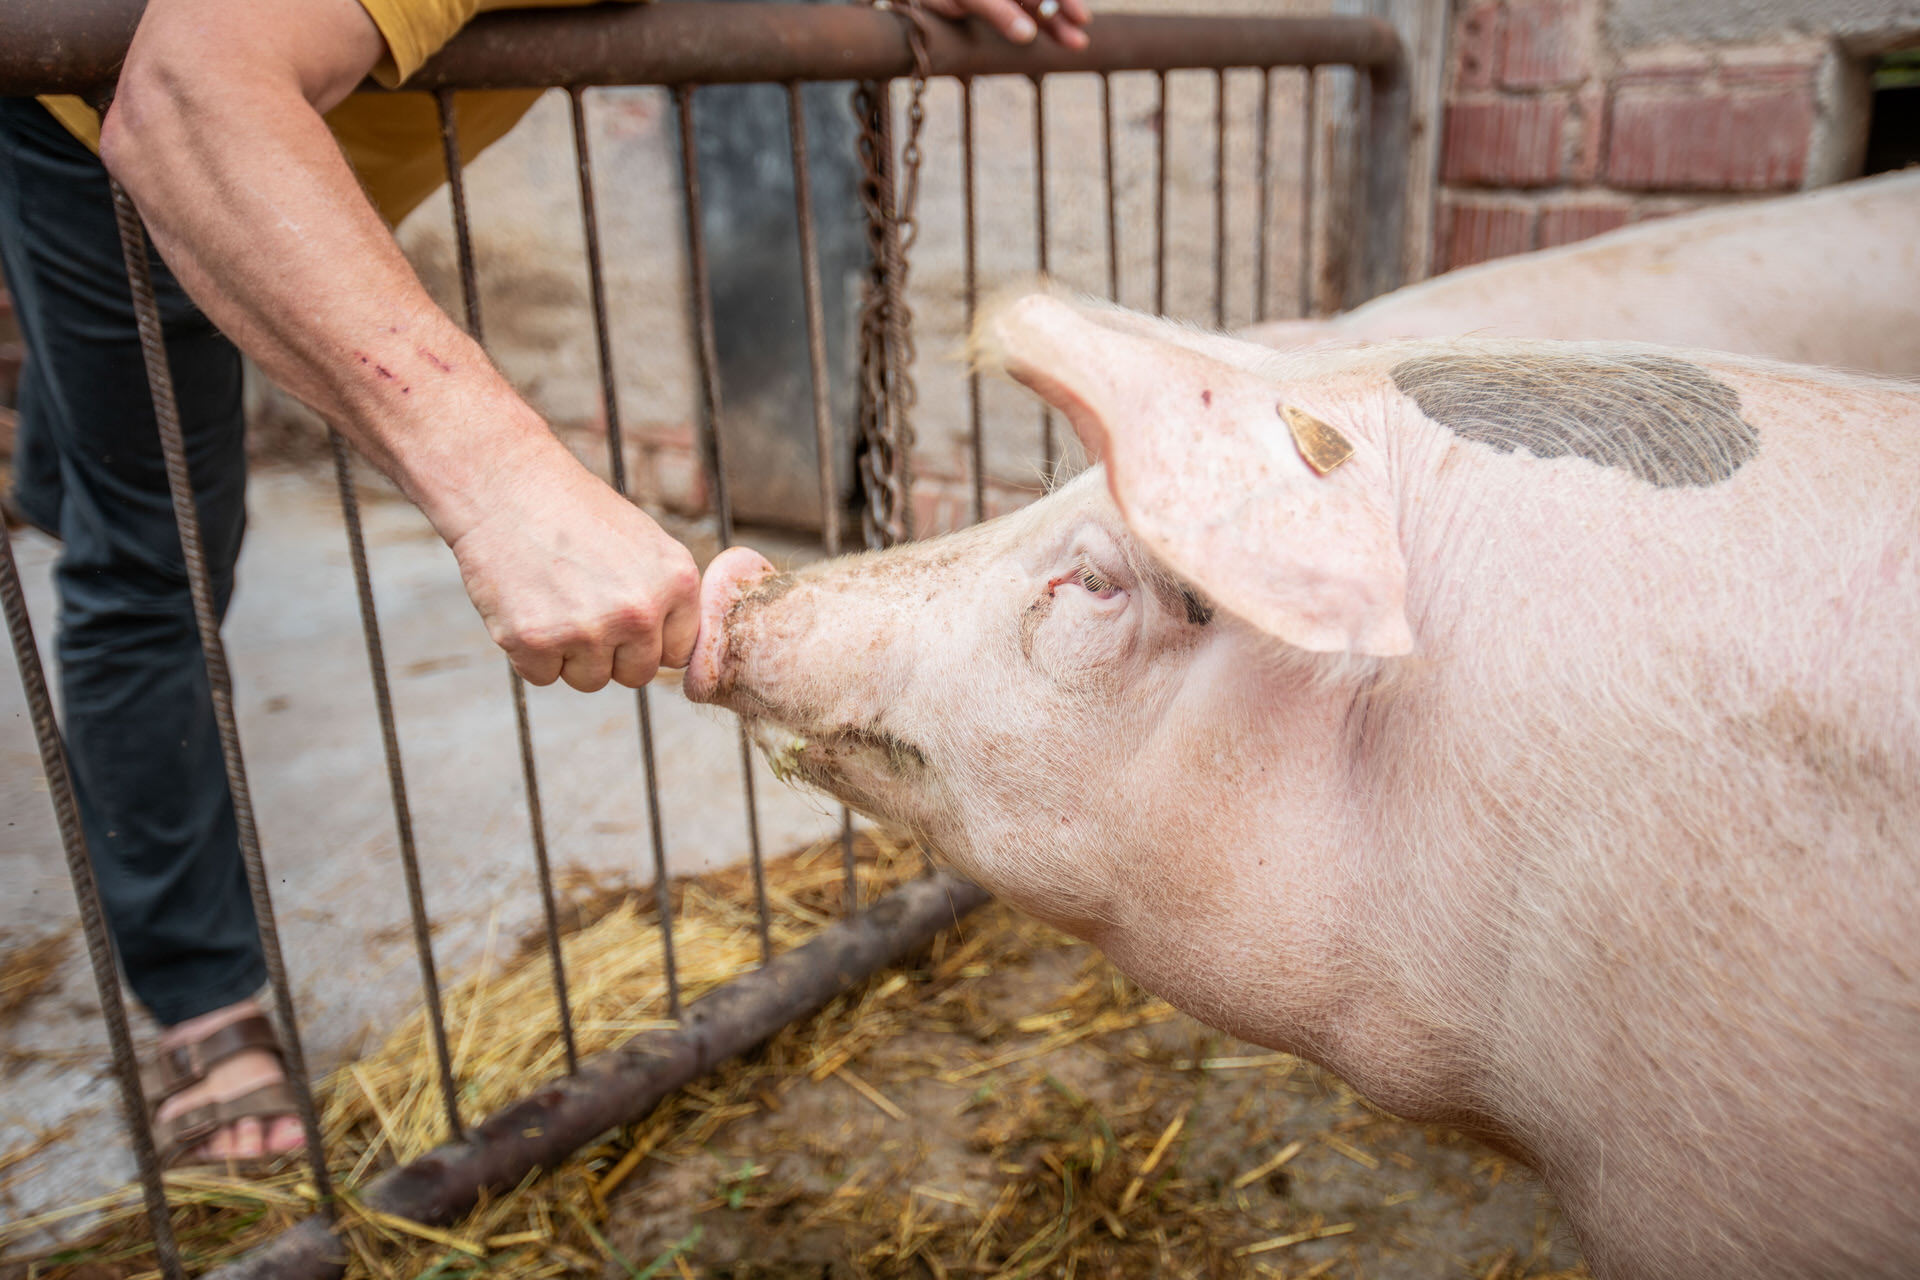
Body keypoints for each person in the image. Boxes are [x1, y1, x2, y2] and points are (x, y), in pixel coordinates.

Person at [0, 0, 1089, 1168]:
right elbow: (186, 94)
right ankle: (203, 1002)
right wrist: (507, 485)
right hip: (110, 124)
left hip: (299, 133)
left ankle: (63, 465)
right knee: (154, 557)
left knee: (103, 461)